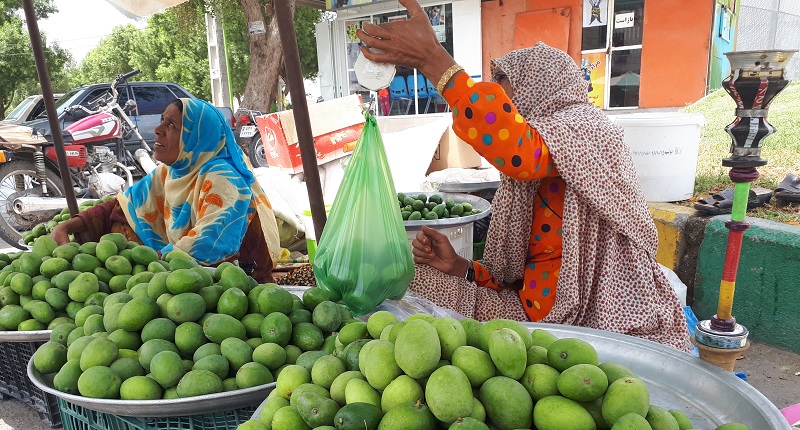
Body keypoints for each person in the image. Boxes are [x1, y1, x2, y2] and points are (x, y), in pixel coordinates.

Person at [358, 0, 690, 350]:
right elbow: (522, 270)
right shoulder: (541, 150)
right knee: (410, 278)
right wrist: (460, 267)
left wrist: (432, 60)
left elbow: (517, 151)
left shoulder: (586, 128)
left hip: (587, 323)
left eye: (502, 83)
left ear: (538, 85)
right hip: (532, 312)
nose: (499, 98)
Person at [51, 98, 280, 283]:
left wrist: (146, 268)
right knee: (123, 223)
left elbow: (211, 244)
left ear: (197, 137)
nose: (158, 130)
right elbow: (126, 205)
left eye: (172, 126)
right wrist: (69, 225)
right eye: (162, 121)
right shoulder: (173, 171)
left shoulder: (223, 177)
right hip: (181, 279)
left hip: (239, 286)